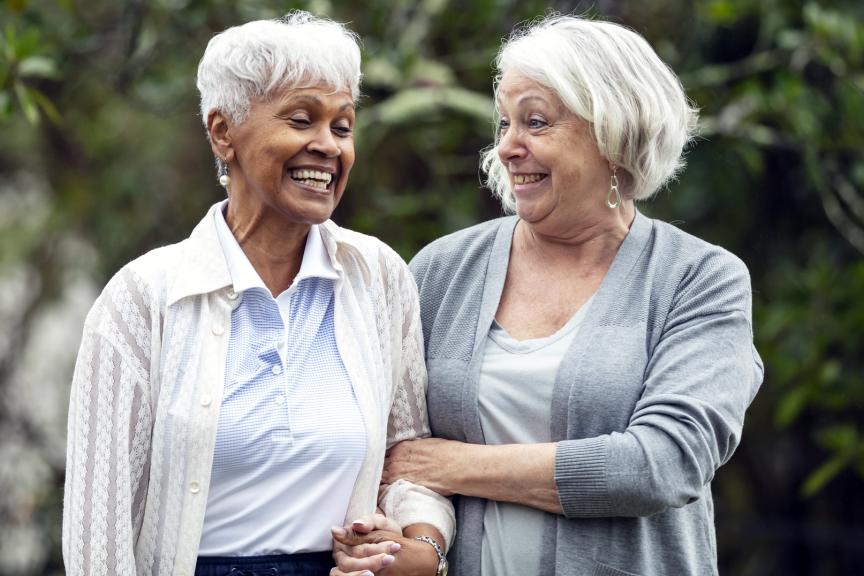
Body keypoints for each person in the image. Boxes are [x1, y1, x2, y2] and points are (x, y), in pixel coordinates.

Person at [336, 14, 764, 576]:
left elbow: (662, 464)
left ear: (615, 134)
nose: (509, 147)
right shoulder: (441, 270)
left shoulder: (698, 278)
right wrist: (405, 541)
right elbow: (395, 456)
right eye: (505, 123)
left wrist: (456, 465)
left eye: (536, 122)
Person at [62, 12, 454, 576]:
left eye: (342, 128)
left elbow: (409, 457)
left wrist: (417, 545)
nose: (327, 147)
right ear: (223, 132)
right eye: (301, 120)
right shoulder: (144, 298)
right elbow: (96, 534)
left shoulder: (379, 279)